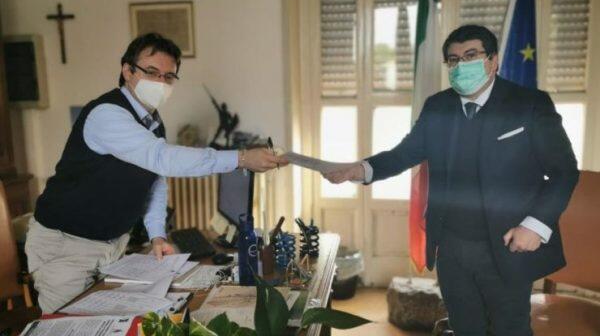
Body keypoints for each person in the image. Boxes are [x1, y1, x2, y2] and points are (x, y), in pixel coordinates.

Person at [323, 25, 579, 335]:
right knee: (464, 328)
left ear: (493, 61)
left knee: (509, 329)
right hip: (451, 248)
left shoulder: (529, 104)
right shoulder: (438, 106)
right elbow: (404, 154)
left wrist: (535, 226)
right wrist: (360, 169)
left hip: (508, 245)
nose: (461, 65)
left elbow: (564, 171)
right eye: (454, 59)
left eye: (471, 56)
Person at [25, 33, 287, 313]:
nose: (160, 82)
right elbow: (162, 159)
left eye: (169, 76)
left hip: (112, 247)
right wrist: (242, 158)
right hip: (66, 247)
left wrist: (157, 236)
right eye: (151, 72)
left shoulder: (152, 122)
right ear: (128, 71)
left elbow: (155, 183)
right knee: (67, 325)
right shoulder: (107, 114)